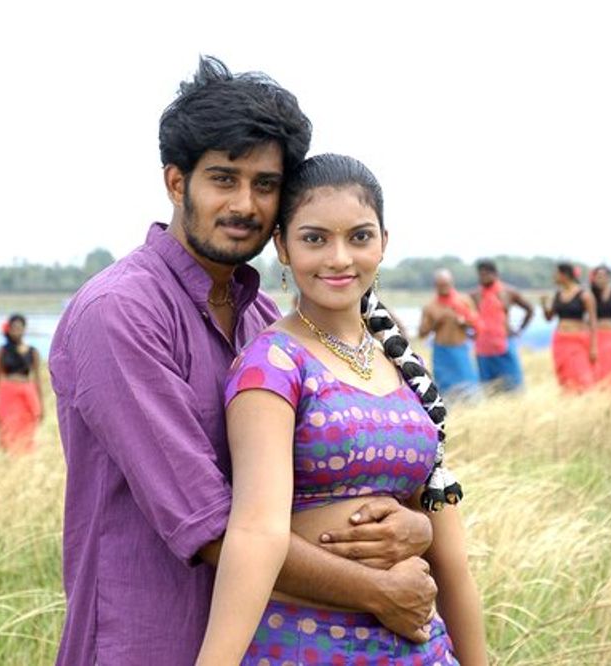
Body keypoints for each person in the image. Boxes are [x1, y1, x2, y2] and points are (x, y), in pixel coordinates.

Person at [49, 57, 441, 666]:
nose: (245, 204)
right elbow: (208, 524)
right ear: (176, 183)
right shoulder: (120, 313)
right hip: (147, 640)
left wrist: (418, 529)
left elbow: (294, 499)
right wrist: (378, 590)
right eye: (223, 179)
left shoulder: (263, 322)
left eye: (264, 185)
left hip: (270, 641)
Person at [203, 154, 487, 665]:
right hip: (303, 647)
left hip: (421, 650)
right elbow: (255, 533)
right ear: (282, 247)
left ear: (383, 242)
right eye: (315, 239)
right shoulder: (272, 364)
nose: (339, 258)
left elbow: (452, 560)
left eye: (359, 237)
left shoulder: (402, 364)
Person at [471, 260, 533, 391]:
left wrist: (520, 329)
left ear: (494, 274)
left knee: (513, 384)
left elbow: (529, 309)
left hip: (504, 342)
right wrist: (470, 333)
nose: (482, 278)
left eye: (485, 275)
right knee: (488, 386)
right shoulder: (475, 295)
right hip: (483, 346)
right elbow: (465, 315)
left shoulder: (508, 292)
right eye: (480, 275)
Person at [418, 268, 480, 396]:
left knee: (469, 387)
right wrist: (436, 323)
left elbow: (476, 322)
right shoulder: (430, 307)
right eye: (441, 285)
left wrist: (465, 322)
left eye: (447, 284)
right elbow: (422, 334)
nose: (444, 288)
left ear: (452, 283)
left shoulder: (464, 300)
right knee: (445, 389)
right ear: (436, 286)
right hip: (441, 352)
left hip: (461, 349)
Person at [0, 314, 43, 454]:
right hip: (7, 392)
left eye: (19, 328)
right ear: (8, 329)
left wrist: (41, 404)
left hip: (27, 392)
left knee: (27, 424)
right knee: (8, 424)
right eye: (13, 328)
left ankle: (24, 455)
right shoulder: (2, 350)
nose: (16, 331)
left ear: (24, 329)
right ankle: (9, 454)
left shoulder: (33, 351)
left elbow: (37, 378)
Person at [541, 263, 597, 392]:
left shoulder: (584, 295)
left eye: (556, 274)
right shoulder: (558, 295)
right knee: (565, 373)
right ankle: (569, 397)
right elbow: (549, 318)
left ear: (565, 275)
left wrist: (593, 347)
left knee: (580, 372)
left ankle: (585, 396)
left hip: (578, 339)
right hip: (561, 339)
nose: (554, 277)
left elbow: (593, 321)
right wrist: (544, 304)